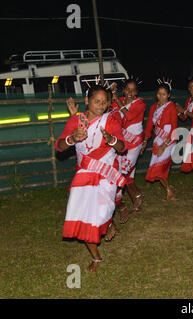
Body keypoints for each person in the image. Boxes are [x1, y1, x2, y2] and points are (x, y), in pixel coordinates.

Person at [56, 85, 126, 272]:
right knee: (84, 218)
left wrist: (111, 139)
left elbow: (122, 147)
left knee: (101, 213)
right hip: (84, 177)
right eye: (97, 101)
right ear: (87, 101)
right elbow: (60, 147)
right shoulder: (76, 121)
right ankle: (96, 258)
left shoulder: (110, 120)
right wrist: (72, 138)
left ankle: (109, 222)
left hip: (106, 175)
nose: (101, 105)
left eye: (104, 102)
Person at [110, 79, 146, 224]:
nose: (130, 93)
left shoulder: (140, 103)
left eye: (133, 90)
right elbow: (114, 115)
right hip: (123, 142)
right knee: (128, 176)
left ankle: (119, 203)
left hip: (134, 143)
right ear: (123, 90)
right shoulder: (119, 101)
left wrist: (117, 99)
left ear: (137, 92)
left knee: (121, 174)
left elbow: (129, 116)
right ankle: (137, 198)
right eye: (127, 90)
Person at [141, 79, 178, 201]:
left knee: (159, 169)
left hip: (168, 140)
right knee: (157, 169)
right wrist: (145, 141)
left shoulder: (171, 107)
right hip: (158, 140)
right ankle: (169, 190)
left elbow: (174, 128)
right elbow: (149, 127)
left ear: (169, 95)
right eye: (159, 94)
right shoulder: (153, 107)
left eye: (163, 94)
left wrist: (164, 145)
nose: (161, 97)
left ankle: (169, 191)